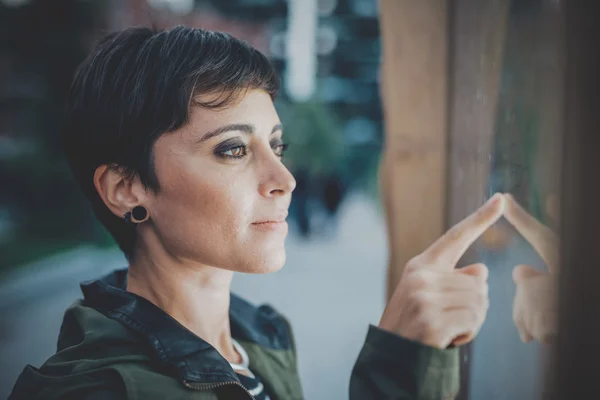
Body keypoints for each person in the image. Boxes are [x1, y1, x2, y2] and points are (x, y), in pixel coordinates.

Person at [9, 26, 502, 400]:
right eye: (232, 150)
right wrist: (399, 363)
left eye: (276, 145)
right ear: (126, 188)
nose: (284, 180)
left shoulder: (259, 339)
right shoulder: (99, 391)